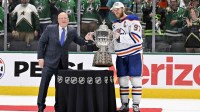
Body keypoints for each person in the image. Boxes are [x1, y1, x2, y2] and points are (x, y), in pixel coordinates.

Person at [37, 12, 94, 112]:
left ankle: (58, 108)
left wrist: (86, 38)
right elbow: (41, 42)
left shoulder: (72, 31)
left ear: (68, 20)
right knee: (43, 87)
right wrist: (40, 58)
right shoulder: (50, 29)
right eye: (61, 18)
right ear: (58, 20)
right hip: (49, 63)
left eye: (65, 18)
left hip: (62, 64)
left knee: (60, 89)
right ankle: (41, 107)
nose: (63, 20)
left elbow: (79, 41)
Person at [111, 2, 143, 112]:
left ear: (122, 8)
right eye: (114, 10)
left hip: (133, 54)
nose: (115, 11)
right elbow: (115, 41)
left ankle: (136, 105)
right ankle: (124, 104)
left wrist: (120, 37)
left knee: (136, 80)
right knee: (122, 81)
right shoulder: (114, 23)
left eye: (117, 9)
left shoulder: (133, 19)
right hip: (120, 56)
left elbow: (137, 38)